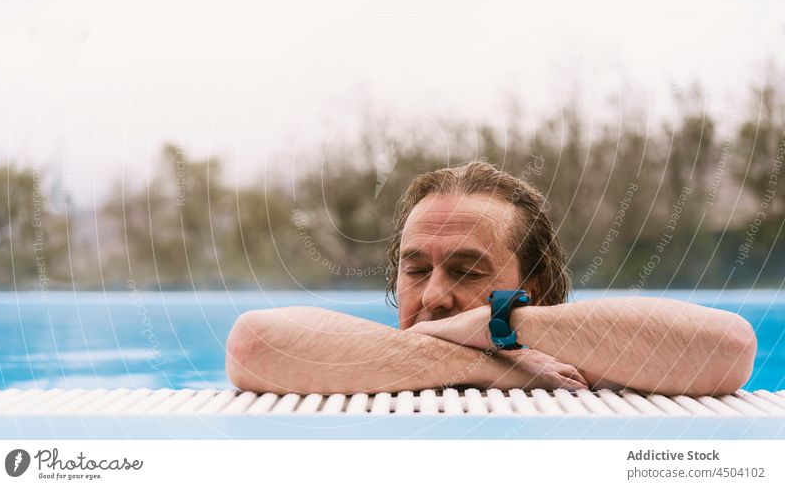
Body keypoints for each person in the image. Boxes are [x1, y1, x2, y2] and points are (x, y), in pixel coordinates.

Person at [225, 161, 756, 396]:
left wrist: (501, 322)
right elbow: (252, 344)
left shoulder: (596, 361)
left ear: (538, 286)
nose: (432, 296)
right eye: (415, 269)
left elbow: (729, 348)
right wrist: (489, 361)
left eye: (466, 270)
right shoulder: (365, 354)